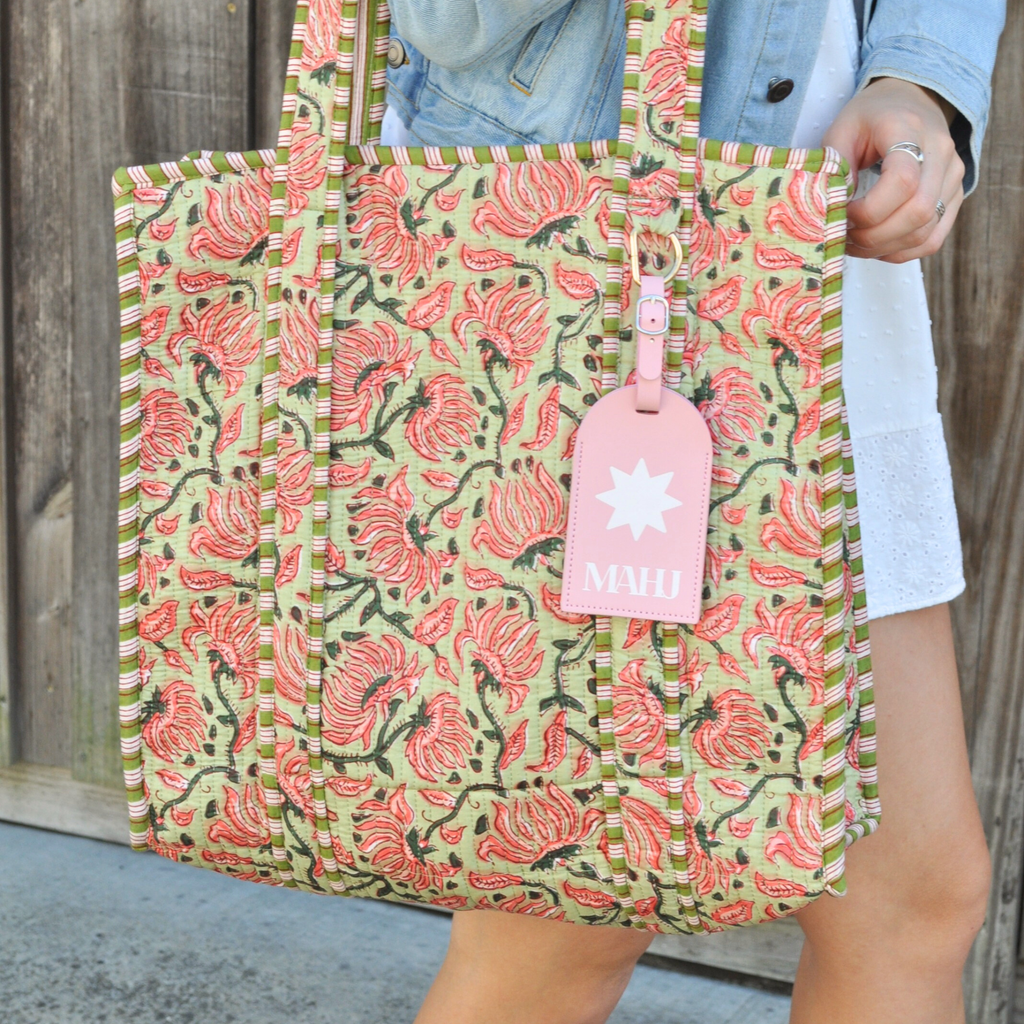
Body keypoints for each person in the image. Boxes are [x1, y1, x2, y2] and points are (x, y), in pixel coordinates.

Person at [383, 2, 1006, 1022]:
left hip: (812, 231)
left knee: (909, 901)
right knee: (566, 909)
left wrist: (919, 77)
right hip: (561, 260)